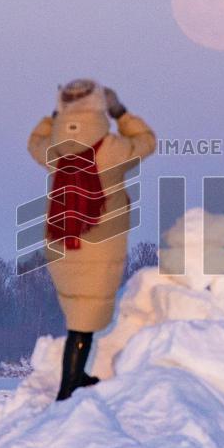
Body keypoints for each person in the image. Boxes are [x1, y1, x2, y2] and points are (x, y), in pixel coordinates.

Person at [28, 79, 156, 400]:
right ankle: (69, 385)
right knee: (85, 319)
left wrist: (55, 117)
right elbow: (146, 141)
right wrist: (121, 112)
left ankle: (75, 377)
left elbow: (34, 141)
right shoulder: (110, 151)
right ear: (99, 107)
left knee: (78, 311)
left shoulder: (55, 151)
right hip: (98, 242)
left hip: (61, 240)